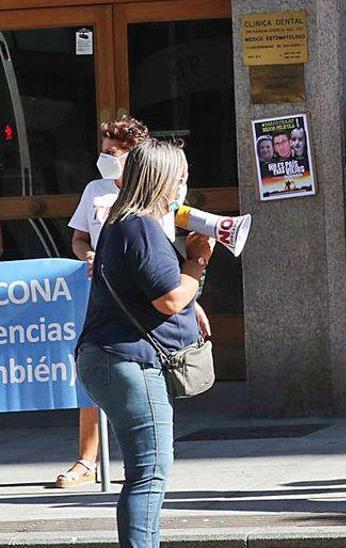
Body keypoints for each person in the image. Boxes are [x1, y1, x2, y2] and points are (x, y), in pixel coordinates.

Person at [77, 138, 214, 547]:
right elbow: (169, 298)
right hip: (128, 360)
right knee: (149, 471)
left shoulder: (126, 223)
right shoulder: (139, 225)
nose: (184, 185)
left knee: (145, 470)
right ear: (163, 179)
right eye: (181, 177)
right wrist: (198, 262)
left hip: (113, 357)